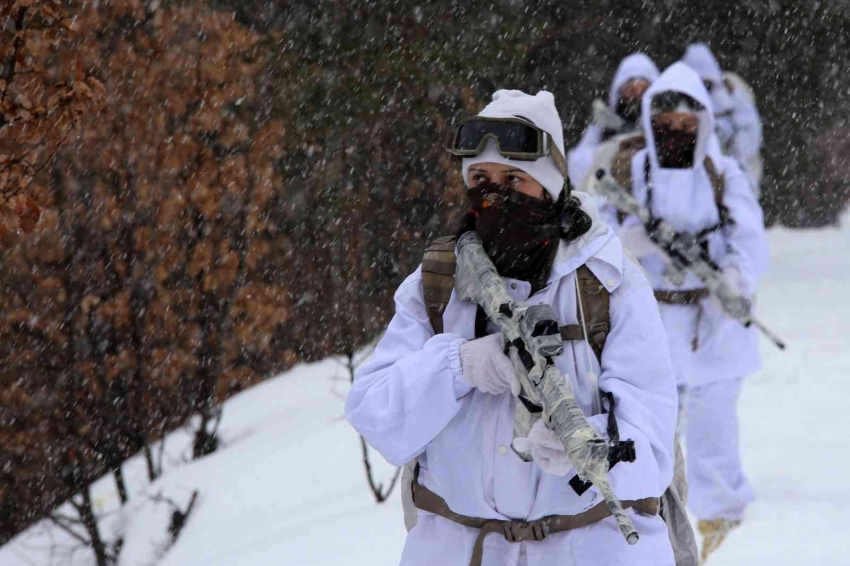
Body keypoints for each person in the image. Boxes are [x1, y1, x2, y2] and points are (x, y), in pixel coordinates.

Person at [346, 89, 679, 566]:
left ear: (549, 186)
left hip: (590, 548)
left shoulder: (608, 282)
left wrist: (585, 445)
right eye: (480, 177)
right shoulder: (438, 281)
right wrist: (459, 365)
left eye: (514, 178)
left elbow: (651, 449)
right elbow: (375, 414)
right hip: (460, 549)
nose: (495, 193)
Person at [608, 63, 769, 562]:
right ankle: (650, 517)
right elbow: (599, 232)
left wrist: (733, 282)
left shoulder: (722, 173)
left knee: (713, 427)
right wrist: (629, 243)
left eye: (686, 125)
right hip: (651, 320)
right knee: (648, 428)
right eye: (666, 124)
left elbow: (748, 238)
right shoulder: (630, 170)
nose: (676, 134)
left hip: (711, 321)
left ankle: (723, 518)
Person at [568, 53, 660, 189]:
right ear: (620, 91)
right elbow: (577, 163)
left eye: (644, 90)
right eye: (631, 89)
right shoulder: (604, 122)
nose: (637, 95)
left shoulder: (661, 121)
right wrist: (611, 153)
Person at [681, 43, 763, 194]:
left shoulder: (730, 97)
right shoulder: (681, 107)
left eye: (706, 83)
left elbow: (751, 130)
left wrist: (736, 156)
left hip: (734, 175)